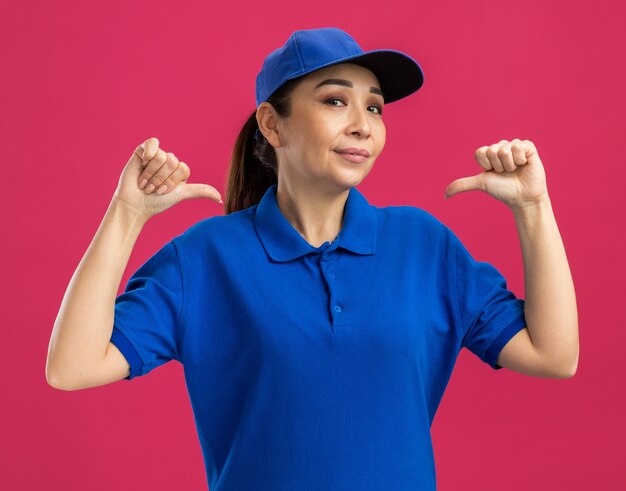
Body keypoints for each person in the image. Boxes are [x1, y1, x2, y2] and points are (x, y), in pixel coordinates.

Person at [46, 27, 578, 490]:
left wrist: (533, 207)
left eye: (374, 107)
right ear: (272, 125)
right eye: (334, 101)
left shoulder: (424, 246)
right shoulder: (206, 259)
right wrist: (126, 214)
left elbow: (553, 355)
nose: (362, 125)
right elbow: (71, 368)